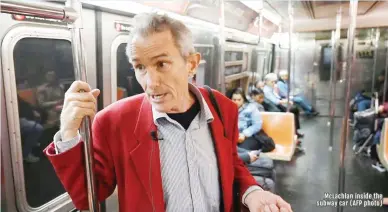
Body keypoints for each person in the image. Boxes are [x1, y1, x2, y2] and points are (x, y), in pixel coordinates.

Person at [44, 13, 292, 212]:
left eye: (161, 64)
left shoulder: (222, 108)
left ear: (191, 64)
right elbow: (89, 197)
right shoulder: (113, 122)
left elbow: (230, 163)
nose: (150, 82)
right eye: (140, 67)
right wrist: (68, 133)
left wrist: (253, 192)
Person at [263, 73, 304, 138]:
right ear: (266, 81)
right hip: (275, 108)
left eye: (274, 82)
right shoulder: (266, 91)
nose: (274, 83)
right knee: (293, 110)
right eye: (272, 82)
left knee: (295, 109)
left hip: (278, 105)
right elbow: (276, 101)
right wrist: (286, 101)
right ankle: (294, 132)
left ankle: (295, 131)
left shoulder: (271, 88)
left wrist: (286, 100)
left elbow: (278, 97)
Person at [18, 95, 44, 163]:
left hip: (21, 115)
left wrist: (32, 110)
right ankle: (25, 154)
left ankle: (32, 140)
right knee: (37, 129)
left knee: (39, 116)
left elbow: (23, 103)